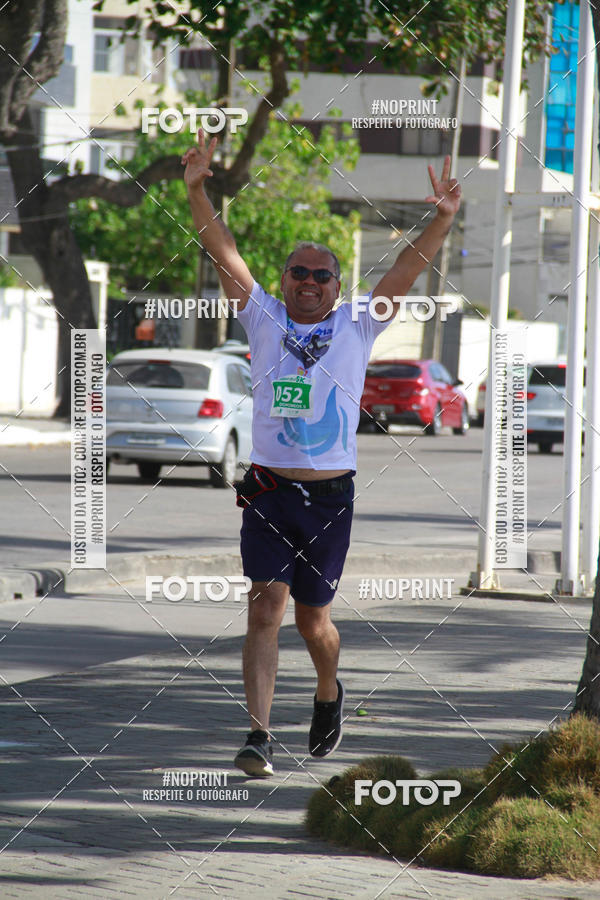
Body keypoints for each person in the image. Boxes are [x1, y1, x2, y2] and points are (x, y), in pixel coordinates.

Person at [182, 130, 461, 776]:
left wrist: (441, 220)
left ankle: (329, 689)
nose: (308, 282)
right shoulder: (262, 318)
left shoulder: (358, 323)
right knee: (264, 606)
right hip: (270, 489)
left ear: (337, 286)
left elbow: (407, 269)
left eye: (321, 274)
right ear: (283, 281)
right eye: (297, 272)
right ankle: (258, 736)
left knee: (314, 624)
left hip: (331, 497)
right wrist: (197, 189)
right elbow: (222, 249)